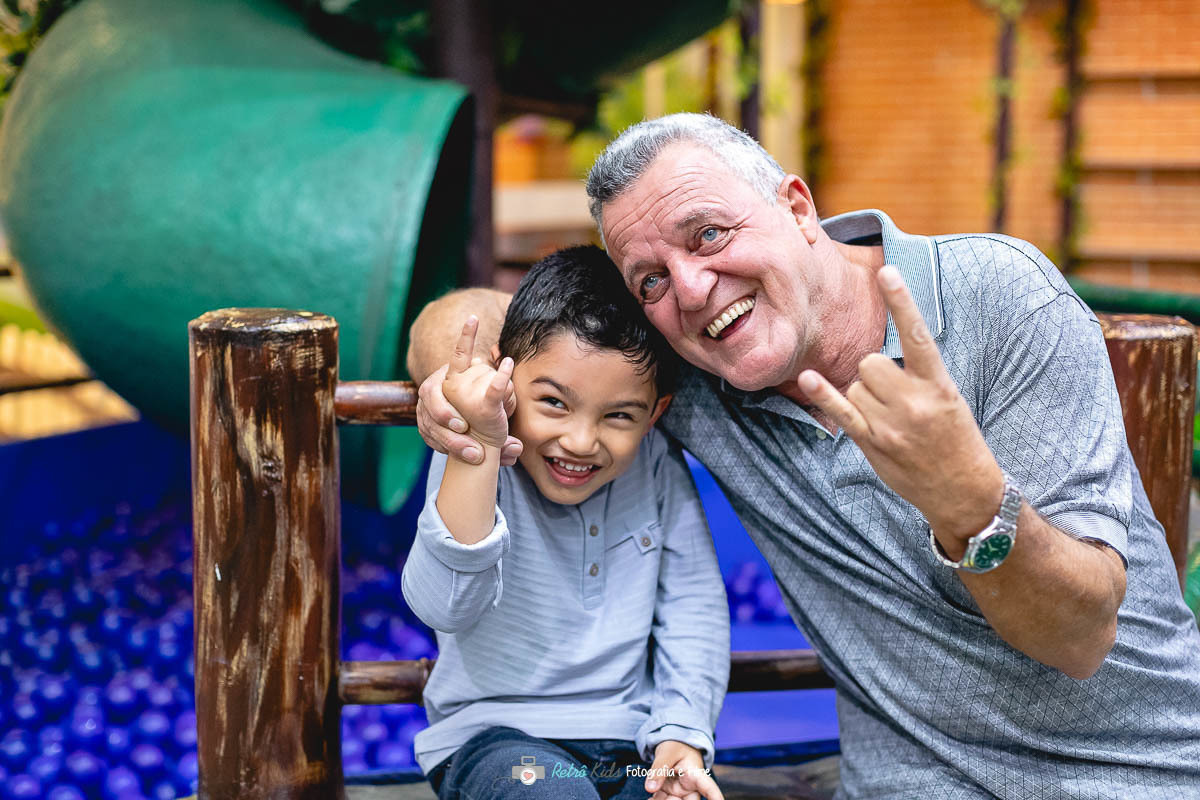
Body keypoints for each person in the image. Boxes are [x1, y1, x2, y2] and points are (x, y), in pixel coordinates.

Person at [409, 113, 1200, 798]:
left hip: (1137, 772)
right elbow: (489, 322)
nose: (690, 288)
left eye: (710, 234)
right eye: (650, 278)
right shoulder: (684, 364)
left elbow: (1079, 639)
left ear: (797, 207)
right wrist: (458, 384)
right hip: (912, 783)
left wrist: (966, 499)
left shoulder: (1000, 298)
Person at [402, 245, 729, 800]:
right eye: (553, 402)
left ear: (655, 414)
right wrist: (477, 446)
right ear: (506, 378)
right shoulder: (477, 449)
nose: (580, 441)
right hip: (500, 742)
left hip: (629, 747)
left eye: (619, 415)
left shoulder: (653, 467)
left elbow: (692, 609)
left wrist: (680, 733)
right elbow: (443, 605)